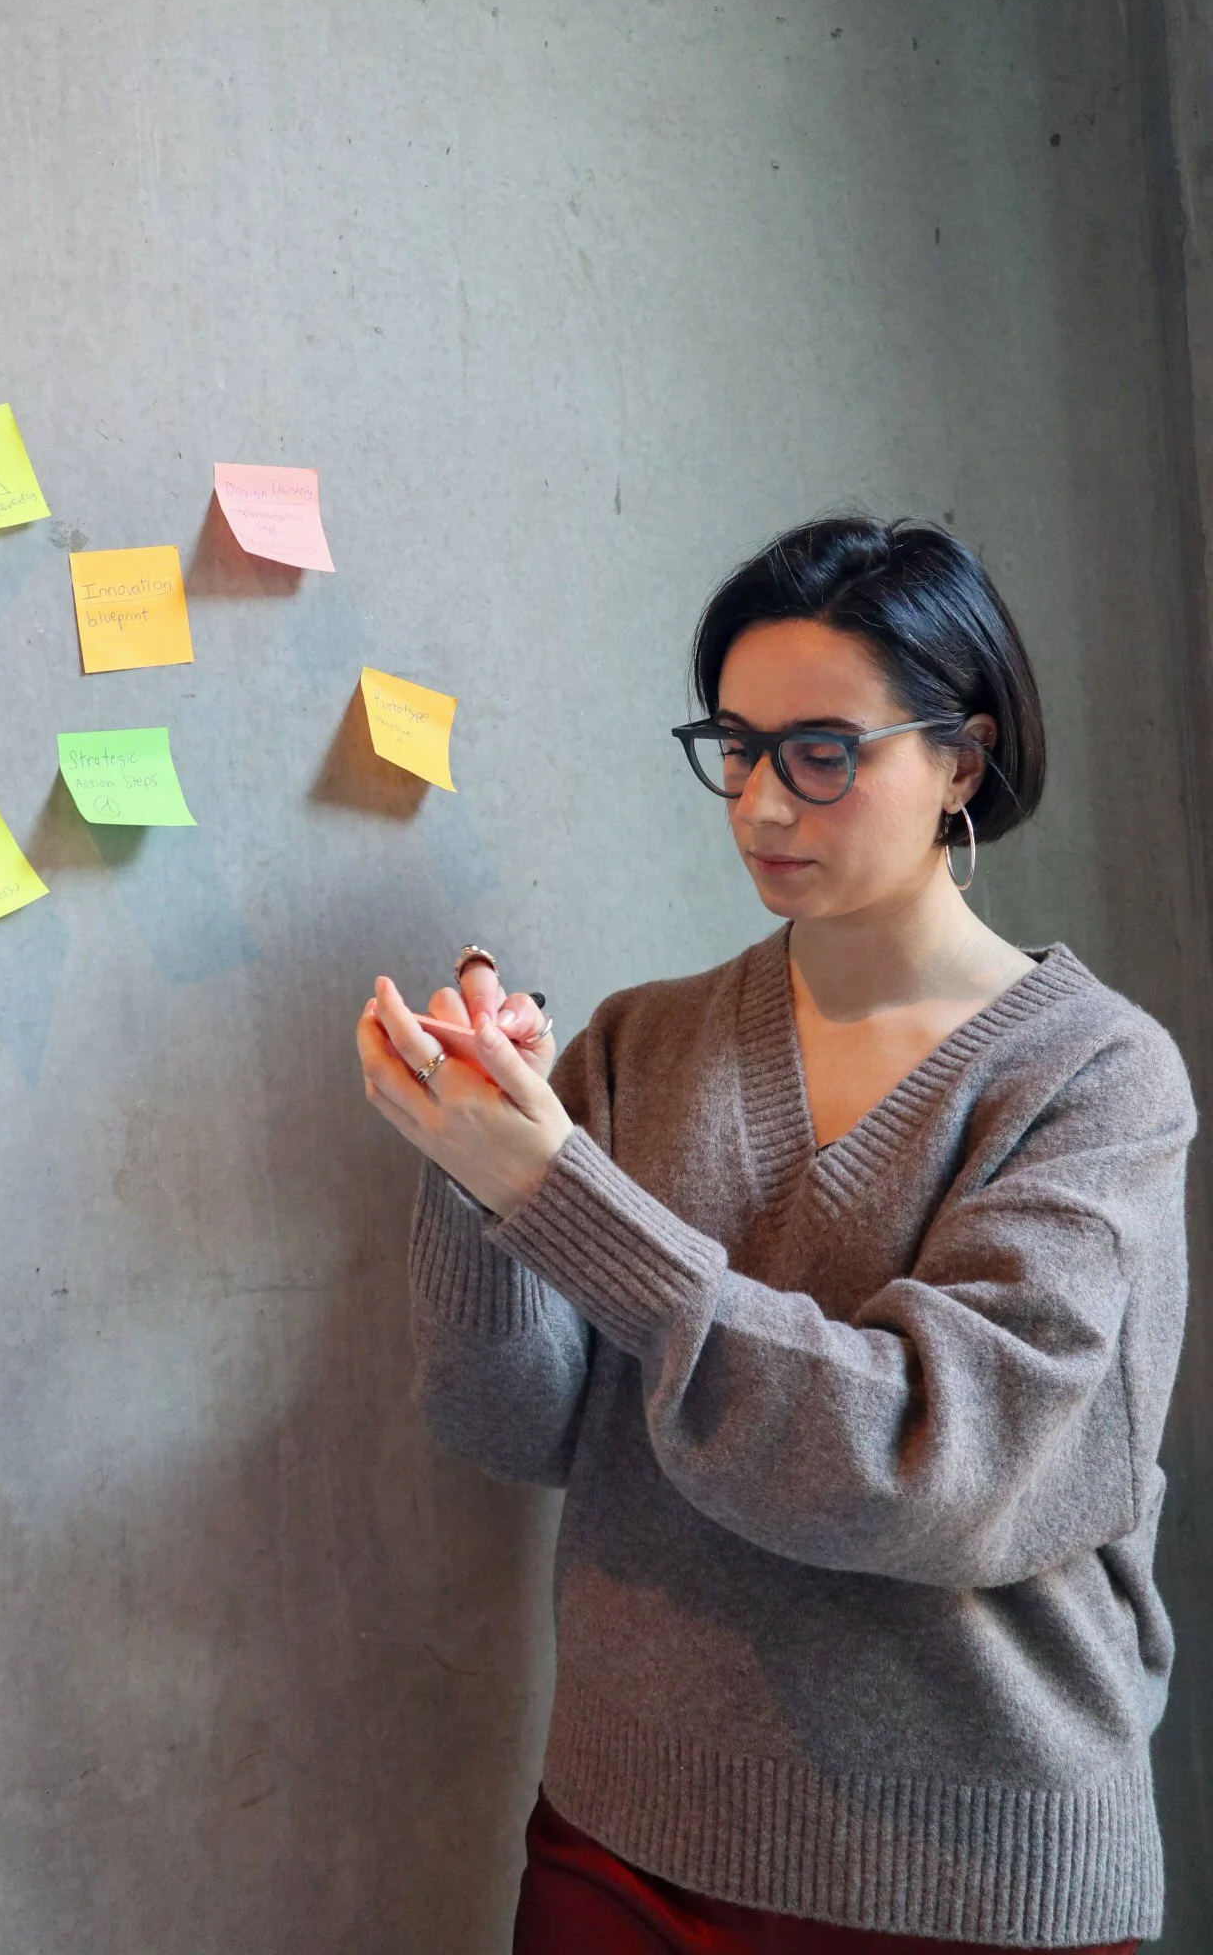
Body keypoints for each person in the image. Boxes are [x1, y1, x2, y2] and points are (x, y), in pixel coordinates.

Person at [355, 515, 1195, 1955]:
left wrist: (563, 1193)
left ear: (962, 760)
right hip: (621, 1833)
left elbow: (933, 1465)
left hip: (966, 1872)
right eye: (734, 746)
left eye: (821, 751)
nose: (758, 801)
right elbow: (513, 1423)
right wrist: (475, 1162)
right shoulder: (644, 1040)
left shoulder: (1094, 1077)